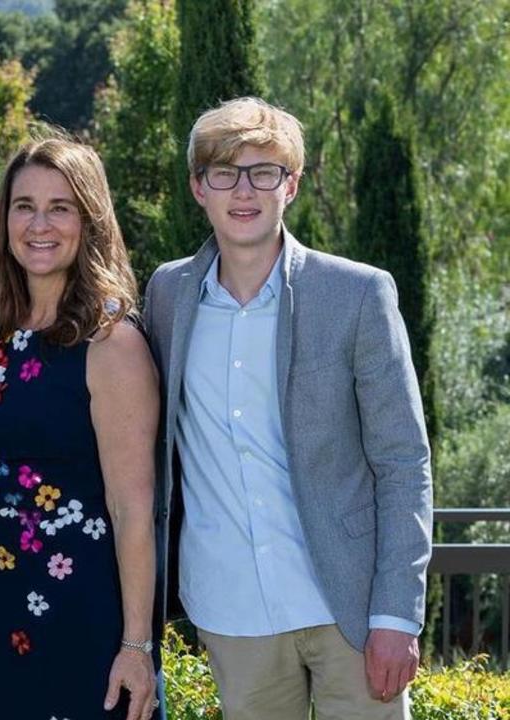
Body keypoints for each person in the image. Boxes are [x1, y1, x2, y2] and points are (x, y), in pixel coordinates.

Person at [143, 97, 433, 719]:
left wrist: (396, 613)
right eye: (224, 172)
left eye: (264, 172)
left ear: (292, 184)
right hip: (231, 610)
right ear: (198, 187)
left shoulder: (357, 293)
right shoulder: (166, 295)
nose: (243, 190)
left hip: (349, 607)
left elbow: (403, 461)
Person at [0, 136, 160, 720]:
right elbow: (29, 446)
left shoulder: (110, 342)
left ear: (89, 221)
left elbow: (132, 507)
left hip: (84, 613)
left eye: (60, 207)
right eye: (25, 206)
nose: (40, 224)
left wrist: (137, 647)